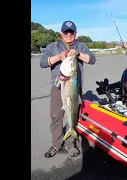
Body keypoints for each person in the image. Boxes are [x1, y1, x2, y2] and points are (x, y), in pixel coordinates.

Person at [40, 21, 96, 158]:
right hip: (57, 88)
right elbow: (42, 63)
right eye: (66, 32)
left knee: (73, 116)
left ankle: (70, 143)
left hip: (74, 88)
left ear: (75, 33)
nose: (69, 34)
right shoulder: (53, 46)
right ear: (61, 33)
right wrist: (59, 57)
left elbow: (92, 59)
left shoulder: (81, 46)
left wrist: (77, 55)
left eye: (72, 32)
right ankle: (56, 144)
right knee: (56, 117)